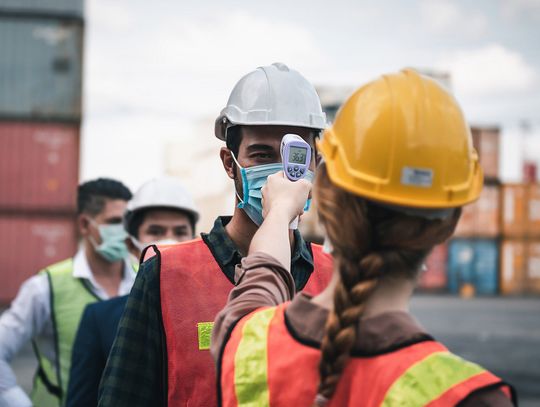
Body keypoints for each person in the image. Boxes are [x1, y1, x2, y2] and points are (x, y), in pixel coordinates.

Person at [212, 69, 517, 406]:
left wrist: (281, 211)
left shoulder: (249, 345)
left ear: (324, 191)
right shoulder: (470, 397)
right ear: (448, 223)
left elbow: (261, 280)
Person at [98, 63, 334, 407]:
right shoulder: (165, 274)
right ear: (229, 163)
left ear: (315, 161)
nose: (280, 175)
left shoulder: (335, 275)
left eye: (294, 156)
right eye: (262, 155)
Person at [65, 177, 199, 407]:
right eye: (155, 231)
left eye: (180, 231)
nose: (170, 241)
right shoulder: (99, 319)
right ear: (131, 244)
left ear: (195, 241)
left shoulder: (216, 311)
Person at [0, 178, 133, 407]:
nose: (123, 232)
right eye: (114, 222)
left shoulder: (144, 279)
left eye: (128, 222)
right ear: (84, 224)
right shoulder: (45, 287)